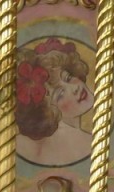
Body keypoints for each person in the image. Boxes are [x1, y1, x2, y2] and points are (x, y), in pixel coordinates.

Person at [14, 37, 95, 167]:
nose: (75, 88)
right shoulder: (86, 144)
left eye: (68, 78)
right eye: (60, 94)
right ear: (47, 111)